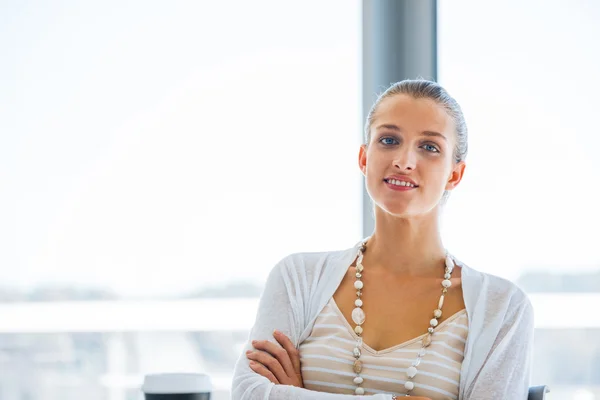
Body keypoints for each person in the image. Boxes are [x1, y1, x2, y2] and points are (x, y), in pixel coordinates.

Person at [231, 79, 534, 399]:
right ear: (364, 158)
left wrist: (295, 394)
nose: (404, 161)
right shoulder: (298, 278)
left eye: (429, 147)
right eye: (389, 140)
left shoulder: (503, 308)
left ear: (454, 174)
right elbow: (249, 393)